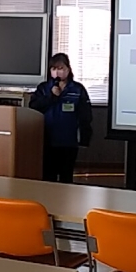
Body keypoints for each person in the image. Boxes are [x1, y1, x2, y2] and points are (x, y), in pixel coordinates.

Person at [29, 53, 93, 183]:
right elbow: (33, 107)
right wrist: (51, 96)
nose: (57, 72)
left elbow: (86, 115)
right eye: (54, 69)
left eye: (61, 68)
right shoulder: (43, 88)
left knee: (66, 178)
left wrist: (85, 138)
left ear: (68, 70)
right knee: (48, 177)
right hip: (47, 141)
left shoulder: (78, 89)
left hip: (69, 142)